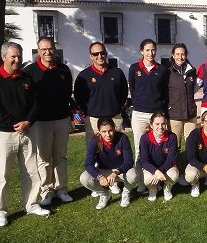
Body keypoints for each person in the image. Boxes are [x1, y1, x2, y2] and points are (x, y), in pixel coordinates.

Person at [0, 42, 50, 227]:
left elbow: (36, 104)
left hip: (27, 131)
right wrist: (16, 125)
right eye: (13, 56)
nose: (17, 60)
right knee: (2, 175)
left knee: (31, 172)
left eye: (19, 56)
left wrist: (28, 122)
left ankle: (31, 204)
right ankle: (0, 212)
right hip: (4, 135)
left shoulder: (26, 78)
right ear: (3, 57)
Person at [23, 37, 74, 206]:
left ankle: (62, 189)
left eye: (50, 48)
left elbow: (67, 94)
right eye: (43, 49)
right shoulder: (30, 72)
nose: (47, 52)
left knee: (60, 156)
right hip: (40, 122)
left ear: (55, 49)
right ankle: (47, 191)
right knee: (44, 158)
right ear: (38, 51)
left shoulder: (64, 70)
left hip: (61, 119)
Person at [129, 39, 169, 192]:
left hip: (157, 114)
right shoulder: (134, 69)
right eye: (147, 50)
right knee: (140, 148)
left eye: (153, 50)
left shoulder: (162, 69)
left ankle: (157, 179)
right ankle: (141, 181)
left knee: (157, 148)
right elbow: (133, 89)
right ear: (141, 51)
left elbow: (164, 92)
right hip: (139, 113)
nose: (150, 53)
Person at [74, 42, 128, 147]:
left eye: (102, 53)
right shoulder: (83, 76)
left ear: (106, 54)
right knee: (94, 153)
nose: (100, 56)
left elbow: (124, 93)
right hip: (93, 121)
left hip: (115, 119)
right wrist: (89, 111)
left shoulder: (117, 73)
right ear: (91, 56)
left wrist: (116, 107)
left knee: (117, 151)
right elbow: (79, 97)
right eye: (96, 54)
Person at [80, 117, 137, 209]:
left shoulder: (122, 138)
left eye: (110, 131)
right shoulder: (94, 141)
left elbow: (129, 161)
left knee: (134, 174)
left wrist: (116, 172)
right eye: (104, 131)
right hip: (103, 171)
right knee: (84, 178)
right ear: (99, 131)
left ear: (114, 128)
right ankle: (104, 194)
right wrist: (99, 176)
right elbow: (88, 164)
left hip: (120, 171)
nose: (108, 135)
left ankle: (126, 193)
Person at [139, 113, 179, 201]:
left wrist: (160, 171)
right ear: (151, 125)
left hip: (166, 167)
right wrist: (156, 172)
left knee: (174, 175)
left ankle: (167, 188)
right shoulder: (144, 138)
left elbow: (171, 159)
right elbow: (144, 161)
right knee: (147, 179)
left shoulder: (172, 137)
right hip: (151, 168)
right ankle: (153, 190)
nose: (160, 127)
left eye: (163, 124)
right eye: (157, 124)